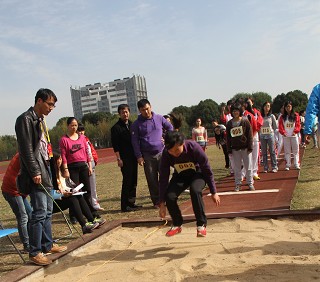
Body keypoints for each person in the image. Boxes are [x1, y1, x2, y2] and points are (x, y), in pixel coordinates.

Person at [15, 88, 67, 266]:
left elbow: (45, 147)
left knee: (47, 211)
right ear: (39, 101)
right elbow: (26, 149)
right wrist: (35, 171)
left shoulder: (41, 120)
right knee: (38, 213)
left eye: (53, 105)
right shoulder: (25, 119)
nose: (51, 108)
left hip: (46, 169)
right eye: (49, 104)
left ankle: (47, 244)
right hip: (36, 172)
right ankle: (35, 252)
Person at [159, 131, 220, 237]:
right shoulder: (166, 153)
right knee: (170, 196)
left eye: (177, 150)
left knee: (195, 191)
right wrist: (161, 203)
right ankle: (177, 224)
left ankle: (201, 225)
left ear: (182, 143)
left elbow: (207, 170)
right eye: (171, 151)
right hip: (180, 175)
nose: (174, 153)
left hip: (198, 174)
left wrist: (213, 191)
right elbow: (163, 178)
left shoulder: (194, 147)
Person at [131, 99, 173, 207]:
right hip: (147, 156)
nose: (146, 112)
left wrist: (166, 138)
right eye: (143, 110)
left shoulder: (159, 118)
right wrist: (139, 156)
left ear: (150, 106)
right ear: (139, 111)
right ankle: (157, 201)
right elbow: (134, 141)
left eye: (147, 109)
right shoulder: (136, 124)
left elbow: (170, 128)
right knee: (152, 180)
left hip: (162, 152)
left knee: (166, 176)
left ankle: (168, 198)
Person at [59, 117, 103, 222]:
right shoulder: (64, 140)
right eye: (72, 125)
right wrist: (65, 169)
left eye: (76, 125)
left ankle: (92, 213)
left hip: (83, 166)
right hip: (72, 168)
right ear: (68, 126)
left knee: (87, 191)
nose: (74, 127)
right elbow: (63, 155)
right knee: (76, 193)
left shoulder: (82, 138)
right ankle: (74, 215)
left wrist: (89, 165)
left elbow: (87, 153)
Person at [51, 151, 104, 234]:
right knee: (73, 199)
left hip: (64, 196)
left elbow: (70, 185)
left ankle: (91, 220)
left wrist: (73, 190)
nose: (60, 161)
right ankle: (84, 225)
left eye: (61, 159)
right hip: (53, 202)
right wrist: (62, 194)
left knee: (79, 196)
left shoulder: (62, 172)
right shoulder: (50, 176)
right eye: (58, 159)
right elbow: (49, 193)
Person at [111, 104, 141, 212]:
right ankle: (124, 206)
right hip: (124, 158)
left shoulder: (133, 125)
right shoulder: (116, 128)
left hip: (134, 157)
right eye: (123, 112)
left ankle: (131, 203)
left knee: (134, 180)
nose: (125, 114)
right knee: (127, 181)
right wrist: (119, 159)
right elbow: (116, 146)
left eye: (127, 111)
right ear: (119, 114)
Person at [1, 153, 32, 252]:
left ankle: (33, 240)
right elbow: (15, 180)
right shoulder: (23, 156)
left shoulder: (25, 154)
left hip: (19, 190)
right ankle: (27, 245)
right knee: (23, 217)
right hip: (12, 191)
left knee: (30, 213)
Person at [226, 102, 254, 192]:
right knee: (237, 168)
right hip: (235, 149)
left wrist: (250, 147)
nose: (235, 113)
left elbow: (249, 135)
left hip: (245, 148)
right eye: (233, 111)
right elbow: (228, 138)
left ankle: (250, 183)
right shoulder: (229, 124)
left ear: (240, 111)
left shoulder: (245, 121)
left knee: (248, 167)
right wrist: (229, 149)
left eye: (237, 111)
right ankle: (238, 184)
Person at [77, 123, 104, 211]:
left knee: (92, 186)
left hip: (90, 163)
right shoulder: (77, 141)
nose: (81, 132)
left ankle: (94, 204)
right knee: (83, 188)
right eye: (79, 131)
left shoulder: (86, 139)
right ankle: (86, 207)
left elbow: (91, 151)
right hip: (83, 165)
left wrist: (94, 160)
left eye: (82, 130)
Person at [278, 101, 301, 170]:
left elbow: (298, 124)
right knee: (287, 151)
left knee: (295, 150)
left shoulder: (296, 115)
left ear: (292, 107)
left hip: (294, 136)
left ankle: (296, 164)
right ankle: (288, 164)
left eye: (289, 106)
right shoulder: (282, 117)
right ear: (285, 108)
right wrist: (283, 132)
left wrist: (295, 131)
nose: (288, 108)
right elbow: (280, 126)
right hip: (286, 136)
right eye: (287, 107)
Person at [260, 102, 278, 173]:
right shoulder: (260, 116)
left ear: (270, 108)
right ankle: (265, 167)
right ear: (263, 107)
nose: (267, 108)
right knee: (264, 152)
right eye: (265, 106)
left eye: (268, 106)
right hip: (262, 136)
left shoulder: (272, 116)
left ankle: (274, 166)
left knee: (272, 151)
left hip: (270, 135)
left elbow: (275, 126)